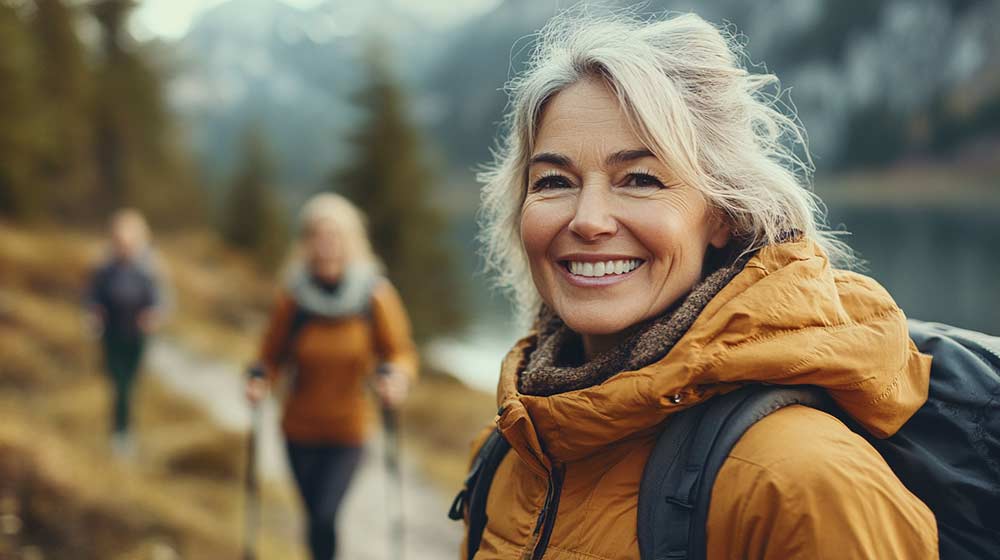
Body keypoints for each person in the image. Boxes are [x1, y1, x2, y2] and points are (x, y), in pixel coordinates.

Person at [461, 12, 939, 559]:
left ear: (722, 216)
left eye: (640, 179)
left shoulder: (801, 482)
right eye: (554, 181)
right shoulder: (515, 447)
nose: (588, 219)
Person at [246, 193, 418, 560]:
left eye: (333, 235)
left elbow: (400, 352)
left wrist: (397, 378)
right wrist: (260, 379)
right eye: (316, 236)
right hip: (298, 429)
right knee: (313, 517)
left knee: (326, 514)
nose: (325, 245)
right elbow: (269, 356)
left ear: (349, 241)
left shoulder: (375, 296)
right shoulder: (293, 299)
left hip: (348, 430)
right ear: (305, 243)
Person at [85, 208, 169, 457]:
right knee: (118, 382)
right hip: (111, 334)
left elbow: (162, 301)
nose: (124, 247)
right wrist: (94, 312)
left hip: (137, 336)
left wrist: (154, 315)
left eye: (128, 242)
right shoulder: (104, 268)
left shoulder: (149, 269)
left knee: (129, 384)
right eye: (119, 242)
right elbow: (91, 296)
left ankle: (124, 431)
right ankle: (120, 432)